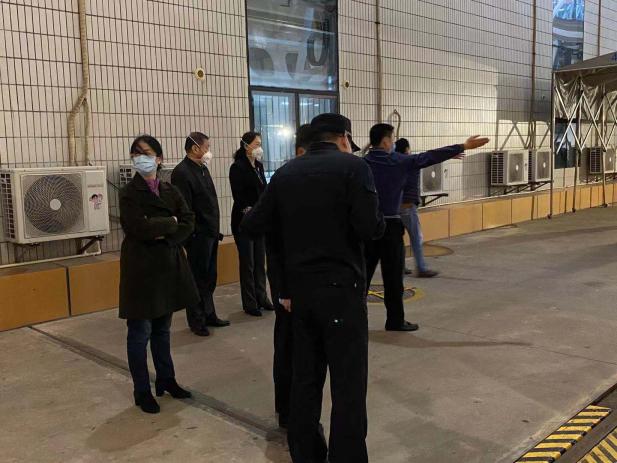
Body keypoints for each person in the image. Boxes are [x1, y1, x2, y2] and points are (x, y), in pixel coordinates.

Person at [242, 113, 384, 463]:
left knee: (305, 380)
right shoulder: (354, 168)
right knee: (348, 384)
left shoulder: (286, 173)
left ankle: (306, 454)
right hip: (342, 293)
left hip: (301, 296)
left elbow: (252, 225)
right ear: (343, 137)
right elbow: (370, 228)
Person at [365, 124, 489, 332]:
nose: (393, 143)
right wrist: (462, 146)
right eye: (392, 139)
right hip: (391, 226)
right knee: (393, 278)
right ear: (386, 142)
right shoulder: (399, 161)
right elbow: (429, 156)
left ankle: (355, 321)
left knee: (362, 277)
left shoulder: (361, 163)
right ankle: (395, 321)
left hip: (367, 226)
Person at [118, 135, 198, 414]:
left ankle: (166, 378)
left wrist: (166, 232)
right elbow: (137, 228)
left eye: (147, 152)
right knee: (140, 332)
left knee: (162, 330)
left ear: (159, 158)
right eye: (136, 153)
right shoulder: (128, 193)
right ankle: (142, 390)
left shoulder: (170, 190)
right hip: (141, 269)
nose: (141, 158)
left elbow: (189, 221)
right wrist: (171, 221)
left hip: (167, 265)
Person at [266, 123, 314, 429]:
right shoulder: (284, 180)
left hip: (307, 284)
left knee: (304, 351)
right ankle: (287, 410)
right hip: (289, 286)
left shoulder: (311, 180)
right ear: (301, 151)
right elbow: (273, 240)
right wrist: (283, 290)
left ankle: (298, 409)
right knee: (288, 347)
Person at [171, 132, 230, 337]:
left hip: (211, 233)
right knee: (197, 279)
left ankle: (209, 313)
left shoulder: (202, 168)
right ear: (195, 148)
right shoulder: (182, 172)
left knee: (209, 277)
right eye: (207, 147)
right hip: (197, 236)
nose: (208, 151)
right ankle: (197, 320)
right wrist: (192, 234)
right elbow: (185, 207)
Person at [229, 131, 274, 317]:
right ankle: (250, 302)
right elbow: (239, 196)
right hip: (244, 221)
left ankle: (262, 297)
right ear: (246, 146)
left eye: (260, 144)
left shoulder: (259, 166)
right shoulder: (237, 167)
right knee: (248, 263)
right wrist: (251, 212)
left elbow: (264, 191)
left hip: (259, 221)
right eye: (256, 144)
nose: (259, 148)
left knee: (260, 262)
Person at [395, 137, 438, 278]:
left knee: (398, 239)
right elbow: (430, 158)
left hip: (394, 207)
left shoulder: (392, 162)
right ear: (407, 149)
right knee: (416, 237)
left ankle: (400, 266)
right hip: (408, 206)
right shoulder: (412, 161)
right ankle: (421, 267)